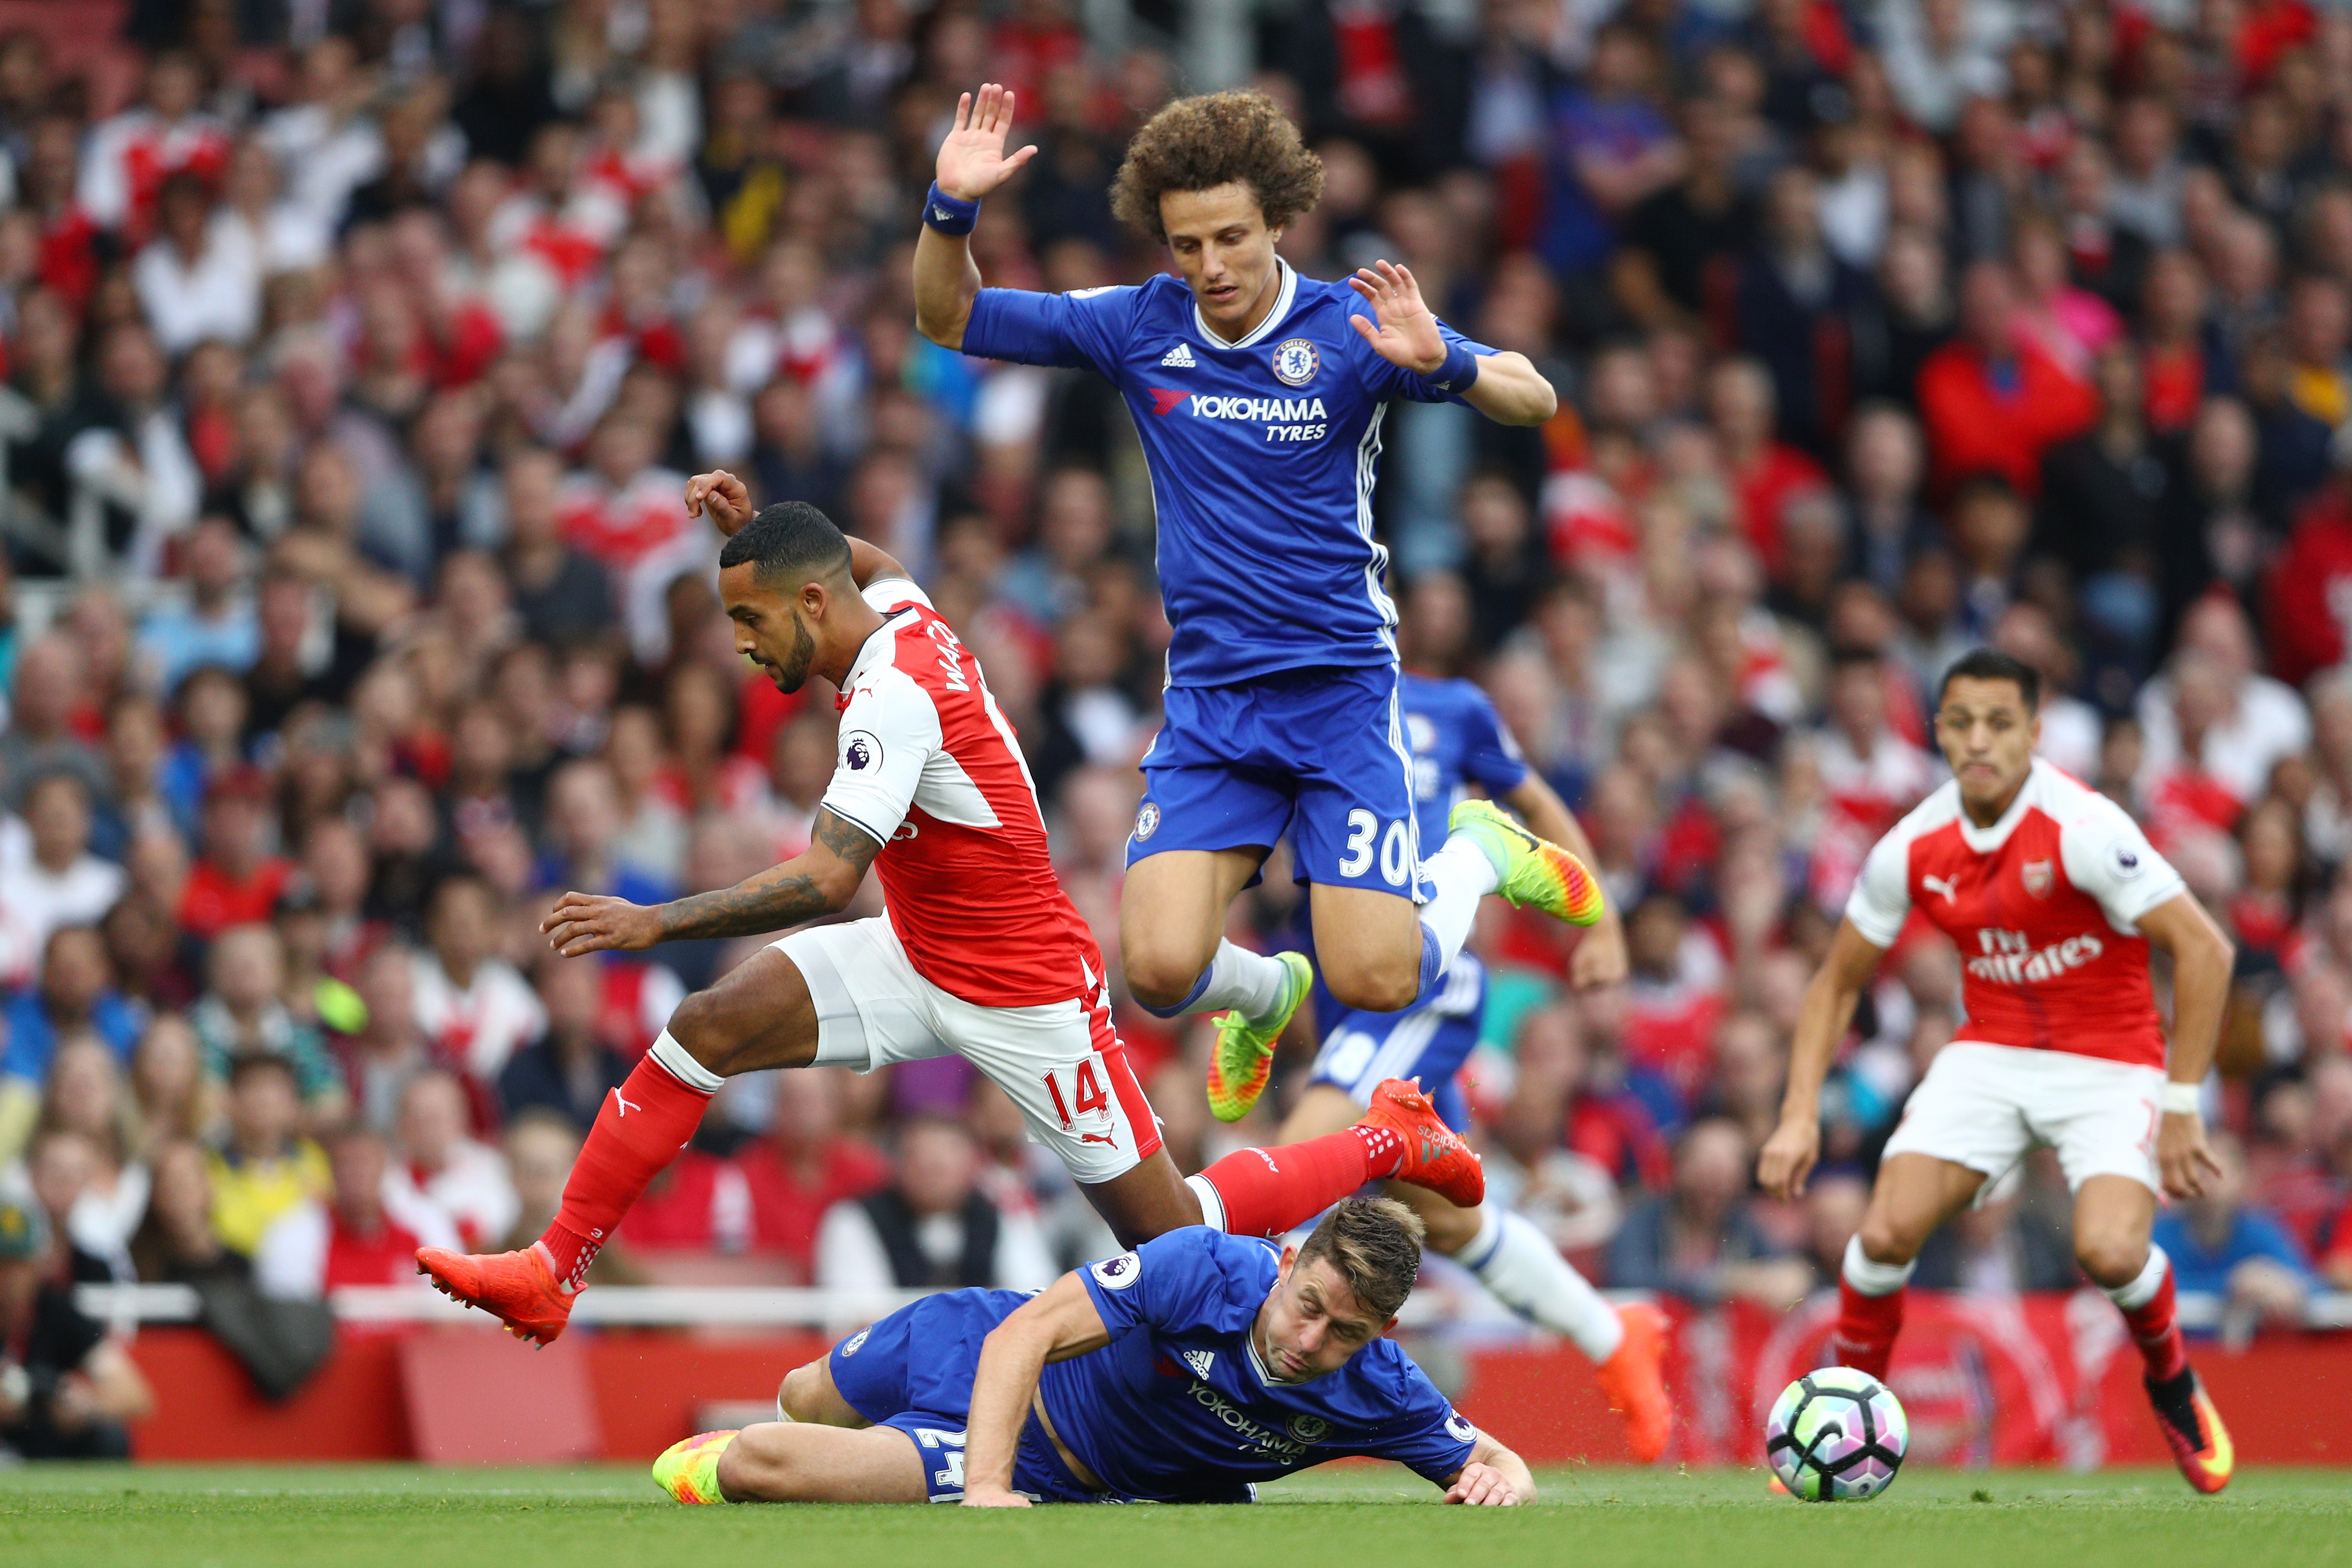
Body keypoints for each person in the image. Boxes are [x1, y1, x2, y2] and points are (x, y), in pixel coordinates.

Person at [416, 485, 1483, 1344]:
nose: (742, 643)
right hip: (923, 950)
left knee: (1175, 1233)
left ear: (814, 608)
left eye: (750, 618)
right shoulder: (895, 609)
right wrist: (758, 532)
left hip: (1027, 994)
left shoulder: (893, 692)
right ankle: (553, 1270)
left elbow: (829, 879)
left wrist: (655, 922)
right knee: (705, 1028)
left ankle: (1392, 1135)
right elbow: (860, 559)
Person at [910, 86, 1601, 1129]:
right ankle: (1266, 993)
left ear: (1279, 218)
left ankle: (1479, 853)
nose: (1211, 266)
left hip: (1338, 696)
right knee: (1155, 967)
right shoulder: (1141, 324)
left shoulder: (1355, 323)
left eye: (1231, 237)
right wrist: (951, 211)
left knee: (1378, 979)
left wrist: (1446, 362)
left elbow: (1534, 396)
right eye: (1187, 243)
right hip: (1215, 704)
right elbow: (947, 314)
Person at [1758, 648, 2240, 1493]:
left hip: (2109, 1059)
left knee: (2110, 1252)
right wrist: (1799, 1112)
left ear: (2034, 733)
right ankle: (1841, 1421)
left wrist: (2185, 1103)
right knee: (1881, 1237)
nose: (1980, 740)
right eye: (1962, 722)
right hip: (1992, 1052)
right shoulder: (1913, 845)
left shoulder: (2084, 829)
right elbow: (1835, 983)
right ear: (1939, 731)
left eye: (2000, 723)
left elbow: (2205, 949)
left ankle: (2172, 1380)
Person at [1275, 666, 1669, 1460]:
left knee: (1301, 1153)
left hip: (1421, 977)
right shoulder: (1298, 697)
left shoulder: (1455, 708)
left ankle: (1193, 1346)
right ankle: (1611, 1330)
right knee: (1451, 1222)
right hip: (1341, 975)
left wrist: (1602, 924)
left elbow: (1538, 807)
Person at [651, 1197, 1532, 1507]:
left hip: (1048, 1459)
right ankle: (835, 1427)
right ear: (1291, 1260)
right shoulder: (1203, 1266)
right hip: (979, 1340)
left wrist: (1506, 1480)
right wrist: (988, 1497)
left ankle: (723, 1455)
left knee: (760, 1464)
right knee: (802, 1397)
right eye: (1308, 1307)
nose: (1310, 1342)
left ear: (1380, 1333)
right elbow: (1025, 1333)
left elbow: (1495, 1460)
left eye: (1343, 1333)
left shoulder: (1380, 1389)